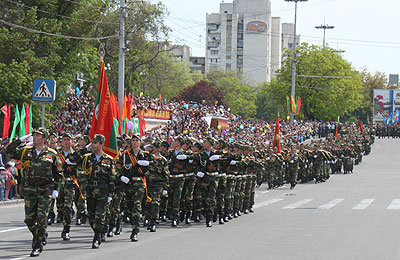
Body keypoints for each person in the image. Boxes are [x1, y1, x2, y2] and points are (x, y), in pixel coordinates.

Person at [6, 128, 62, 257]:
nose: (35, 137)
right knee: (29, 219)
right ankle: (40, 234)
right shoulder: (25, 151)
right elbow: (9, 152)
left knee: (42, 218)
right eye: (34, 135)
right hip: (30, 189)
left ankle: (37, 243)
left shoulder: (52, 154)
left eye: (38, 135)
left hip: (45, 189)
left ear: (44, 139)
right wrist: (20, 140)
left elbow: (58, 174)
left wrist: (56, 190)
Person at [80, 134, 116, 249]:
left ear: (101, 144)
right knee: (91, 215)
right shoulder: (87, 158)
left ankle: (97, 236)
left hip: (103, 191)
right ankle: (98, 230)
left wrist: (110, 194)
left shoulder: (108, 160)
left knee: (100, 215)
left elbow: (112, 178)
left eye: (95, 143)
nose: (93, 145)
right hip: (90, 190)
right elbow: (82, 173)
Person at [118, 134, 151, 242]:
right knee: (130, 207)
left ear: (140, 142)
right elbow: (119, 167)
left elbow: (152, 170)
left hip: (140, 184)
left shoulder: (146, 155)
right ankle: (133, 223)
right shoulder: (125, 155)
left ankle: (135, 231)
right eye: (133, 140)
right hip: (129, 184)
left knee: (137, 206)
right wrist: (122, 177)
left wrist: (146, 167)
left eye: (137, 140)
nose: (135, 142)